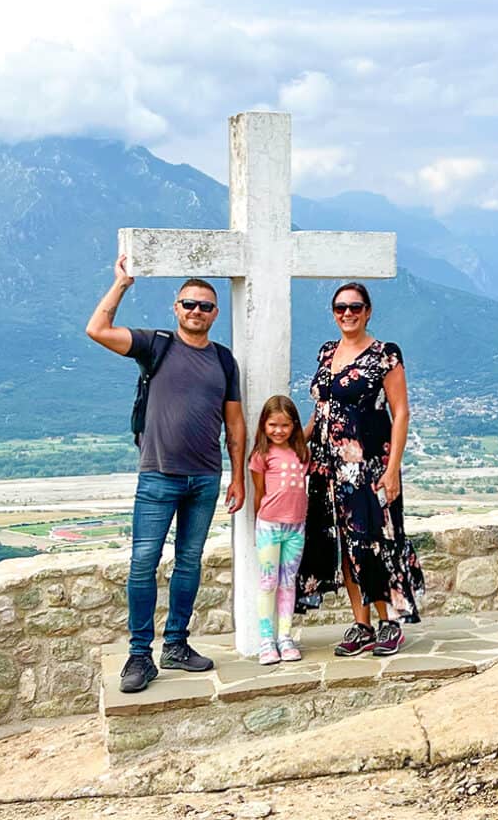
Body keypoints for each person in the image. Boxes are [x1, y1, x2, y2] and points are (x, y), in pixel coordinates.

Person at [85, 255, 246, 693]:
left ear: (215, 314)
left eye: (206, 306)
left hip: (205, 478)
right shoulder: (155, 345)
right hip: (158, 474)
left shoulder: (224, 361)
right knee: (143, 565)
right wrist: (121, 284)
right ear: (176, 308)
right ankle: (139, 655)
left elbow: (234, 424)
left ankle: (175, 644)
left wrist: (238, 476)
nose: (197, 311)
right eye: (189, 304)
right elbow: (96, 330)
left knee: (189, 563)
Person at [295, 281, 424, 657]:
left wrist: (393, 468)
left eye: (354, 307)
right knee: (342, 544)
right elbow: (322, 411)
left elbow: (400, 412)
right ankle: (361, 623)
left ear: (368, 311)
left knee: (373, 541)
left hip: (368, 465)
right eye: (340, 308)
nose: (347, 314)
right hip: (326, 467)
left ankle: (388, 622)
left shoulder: (385, 354)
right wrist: (296, 441)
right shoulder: (326, 352)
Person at [248, 395, 310, 665]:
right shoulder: (261, 455)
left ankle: (285, 637)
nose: (278, 430)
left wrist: (317, 416)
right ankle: (266, 640)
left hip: (296, 526)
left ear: (294, 426)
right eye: (273, 424)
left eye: (285, 425)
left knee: (288, 582)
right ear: (264, 424)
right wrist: (256, 525)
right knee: (268, 582)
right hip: (269, 526)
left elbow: (308, 434)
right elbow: (259, 493)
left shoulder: (301, 453)